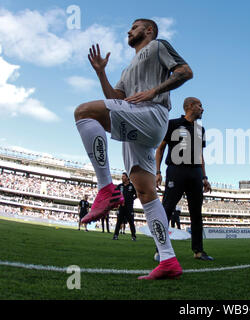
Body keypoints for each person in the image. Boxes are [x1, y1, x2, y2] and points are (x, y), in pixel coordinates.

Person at [74, 18, 193, 280]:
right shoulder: (128, 69)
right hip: (134, 124)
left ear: (148, 30)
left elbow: (185, 71)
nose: (129, 30)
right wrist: (101, 73)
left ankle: (106, 188)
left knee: (84, 113)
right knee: (146, 192)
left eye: (135, 26)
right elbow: (115, 100)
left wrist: (154, 91)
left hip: (151, 114)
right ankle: (168, 259)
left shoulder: (158, 46)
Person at [155, 97, 213, 261]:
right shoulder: (172, 124)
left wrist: (204, 177)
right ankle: (161, 250)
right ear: (190, 106)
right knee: (166, 209)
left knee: (196, 213)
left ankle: (198, 251)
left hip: (195, 173)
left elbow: (200, 156)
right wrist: (157, 172)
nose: (203, 109)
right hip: (176, 170)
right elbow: (160, 149)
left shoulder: (201, 130)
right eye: (200, 106)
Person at [113, 172, 138, 240]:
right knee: (119, 221)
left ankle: (133, 236)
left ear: (127, 178)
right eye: (122, 176)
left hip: (129, 207)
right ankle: (115, 235)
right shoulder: (119, 186)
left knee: (131, 222)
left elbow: (137, 194)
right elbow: (115, 194)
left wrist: (131, 199)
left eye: (123, 176)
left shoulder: (132, 186)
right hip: (121, 207)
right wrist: (119, 201)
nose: (122, 178)